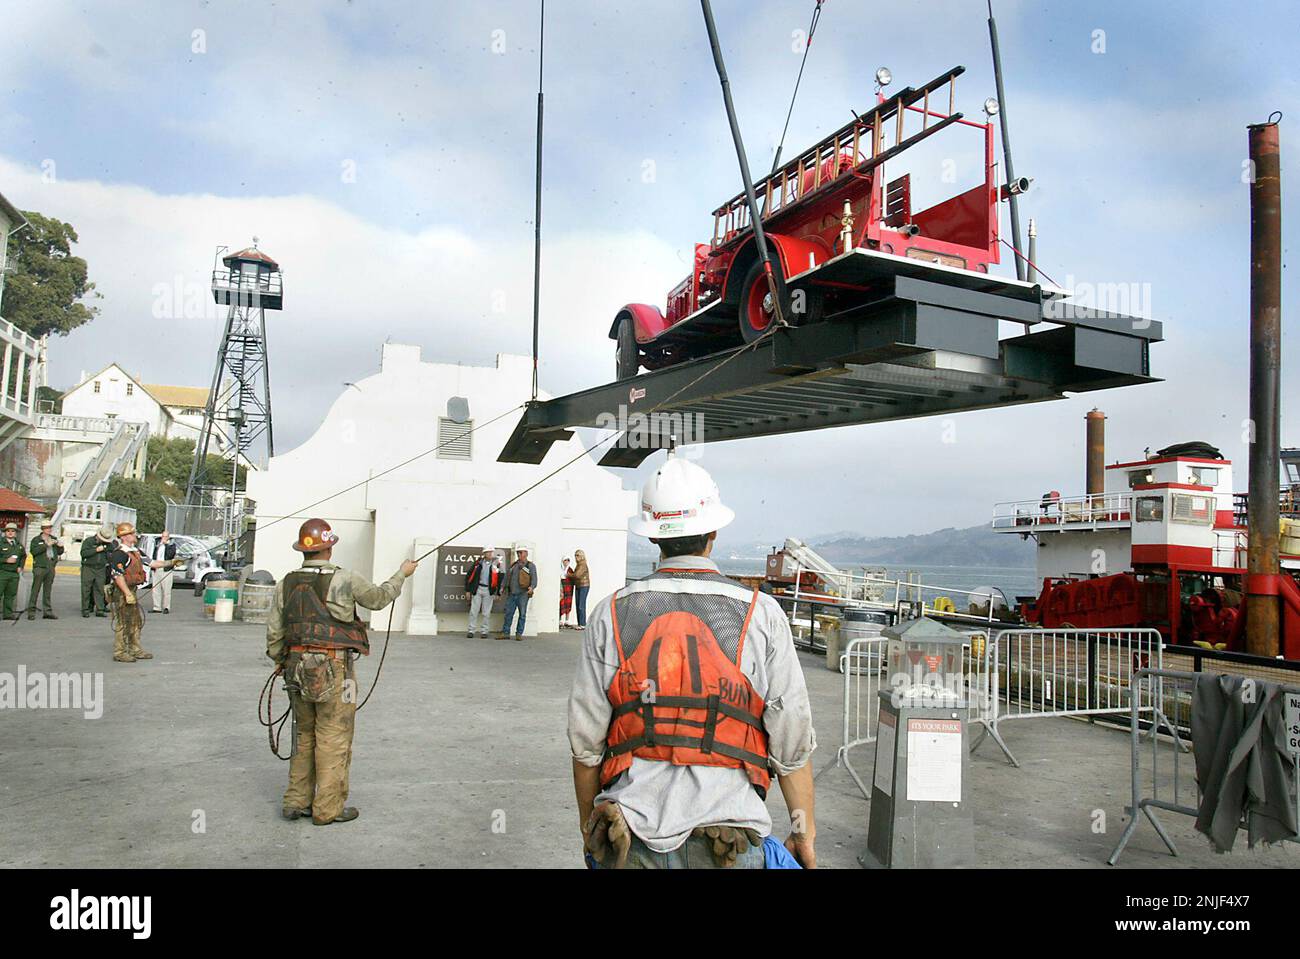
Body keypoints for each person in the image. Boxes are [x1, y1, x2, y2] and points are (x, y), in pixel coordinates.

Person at [567, 454, 818, 869]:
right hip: (731, 843)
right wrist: (803, 834)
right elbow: (791, 743)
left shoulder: (610, 614)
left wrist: (587, 827)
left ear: (652, 537)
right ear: (713, 531)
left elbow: (585, 746)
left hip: (630, 837)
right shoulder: (762, 614)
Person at [265, 518, 419, 826]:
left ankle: (296, 801)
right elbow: (377, 599)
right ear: (329, 547)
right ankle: (327, 808)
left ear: (303, 550)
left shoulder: (286, 583)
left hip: (294, 668)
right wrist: (401, 574)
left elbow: (274, 633)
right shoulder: (345, 579)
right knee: (333, 735)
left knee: (303, 732)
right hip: (336, 670)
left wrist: (281, 662)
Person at [106, 522, 151, 663]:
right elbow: (117, 575)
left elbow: (152, 563)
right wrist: (127, 593)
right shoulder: (120, 553)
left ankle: (134, 649)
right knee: (123, 622)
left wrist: (171, 563)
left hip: (131, 590)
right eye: (132, 533)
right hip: (122, 592)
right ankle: (119, 652)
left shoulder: (135, 552)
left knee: (135, 621)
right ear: (124, 537)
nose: (134, 535)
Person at [26, 519, 63, 620]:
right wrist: (46, 545)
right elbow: (34, 551)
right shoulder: (36, 540)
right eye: (47, 528)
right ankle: (31, 611)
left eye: (50, 527)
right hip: (40, 566)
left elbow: (59, 552)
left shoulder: (54, 538)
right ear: (42, 529)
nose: (49, 529)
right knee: (35, 589)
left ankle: (47, 611)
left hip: (50, 565)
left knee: (48, 590)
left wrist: (61, 546)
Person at [463, 546, 502, 639]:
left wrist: (498, 593)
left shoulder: (496, 564)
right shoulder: (478, 563)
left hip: (489, 590)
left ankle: (484, 631)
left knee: (486, 612)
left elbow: (500, 579)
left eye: (491, 552)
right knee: (474, 611)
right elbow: (469, 576)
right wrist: (468, 590)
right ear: (484, 554)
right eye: (488, 552)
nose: (490, 554)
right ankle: (471, 630)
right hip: (478, 588)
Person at [500, 546, 537, 641]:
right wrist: (502, 587)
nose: (519, 555)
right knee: (508, 613)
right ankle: (505, 632)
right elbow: (507, 577)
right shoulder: (513, 565)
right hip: (512, 593)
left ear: (526, 553)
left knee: (522, 614)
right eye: (518, 553)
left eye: (521, 552)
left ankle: (519, 633)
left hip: (523, 594)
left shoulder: (530, 566)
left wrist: (531, 587)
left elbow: (534, 579)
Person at [80, 524, 113, 617]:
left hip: (101, 568)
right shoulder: (88, 541)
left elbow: (112, 548)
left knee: (99, 589)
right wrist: (96, 550)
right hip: (88, 567)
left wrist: (105, 548)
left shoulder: (107, 544)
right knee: (86, 589)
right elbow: (84, 553)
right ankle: (85, 609)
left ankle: (100, 609)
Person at [147, 530, 178, 613]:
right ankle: (156, 607)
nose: (163, 538)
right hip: (157, 568)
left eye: (165, 536)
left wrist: (166, 545)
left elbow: (170, 555)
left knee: (166, 589)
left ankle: (166, 607)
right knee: (155, 589)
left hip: (166, 569)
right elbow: (154, 555)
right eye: (162, 536)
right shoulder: (157, 545)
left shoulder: (171, 545)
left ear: (168, 537)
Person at [0, 522, 26, 621]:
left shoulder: (19, 545)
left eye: (13, 531)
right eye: (8, 531)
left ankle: (8, 614)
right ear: (5, 532)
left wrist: (20, 566)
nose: (10, 533)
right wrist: (5, 560)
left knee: (10, 595)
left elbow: (23, 556)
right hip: (2, 572)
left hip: (14, 573)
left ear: (15, 533)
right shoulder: (1, 543)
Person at [571, 548, 591, 631]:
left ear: (582, 556)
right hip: (579, 585)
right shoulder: (579, 564)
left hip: (583, 586)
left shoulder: (582, 564)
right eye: (575, 555)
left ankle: (582, 624)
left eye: (578, 555)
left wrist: (569, 575)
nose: (576, 557)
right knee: (578, 604)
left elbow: (577, 575)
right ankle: (580, 623)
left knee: (581, 605)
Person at [559, 556, 575, 628]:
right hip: (562, 588)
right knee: (561, 603)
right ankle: (560, 620)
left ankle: (567, 620)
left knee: (568, 603)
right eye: (565, 560)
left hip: (569, 588)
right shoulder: (560, 569)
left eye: (568, 560)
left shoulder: (570, 570)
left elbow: (573, 578)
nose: (566, 562)